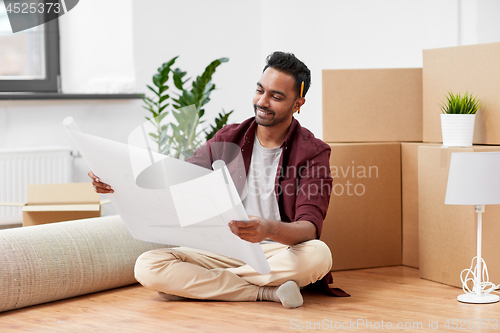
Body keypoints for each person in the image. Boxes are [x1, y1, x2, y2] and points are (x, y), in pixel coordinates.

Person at [89, 51, 333, 308]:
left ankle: (202, 285)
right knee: (148, 265)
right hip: (223, 250)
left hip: (278, 253)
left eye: (276, 96)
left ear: (298, 104)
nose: (262, 101)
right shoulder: (229, 137)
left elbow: (309, 229)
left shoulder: (313, 152)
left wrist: (268, 228)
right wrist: (116, 180)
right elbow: (177, 178)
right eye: (260, 90)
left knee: (319, 255)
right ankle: (266, 292)